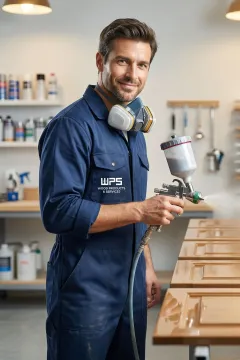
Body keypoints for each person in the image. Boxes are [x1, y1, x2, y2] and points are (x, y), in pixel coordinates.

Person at [38, 18, 185, 360]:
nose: (133, 74)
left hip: (130, 284)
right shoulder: (70, 126)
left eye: (142, 64)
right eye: (123, 61)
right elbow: (58, 211)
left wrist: (146, 263)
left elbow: (134, 201)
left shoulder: (131, 129)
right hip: (84, 291)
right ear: (101, 62)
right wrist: (141, 211)